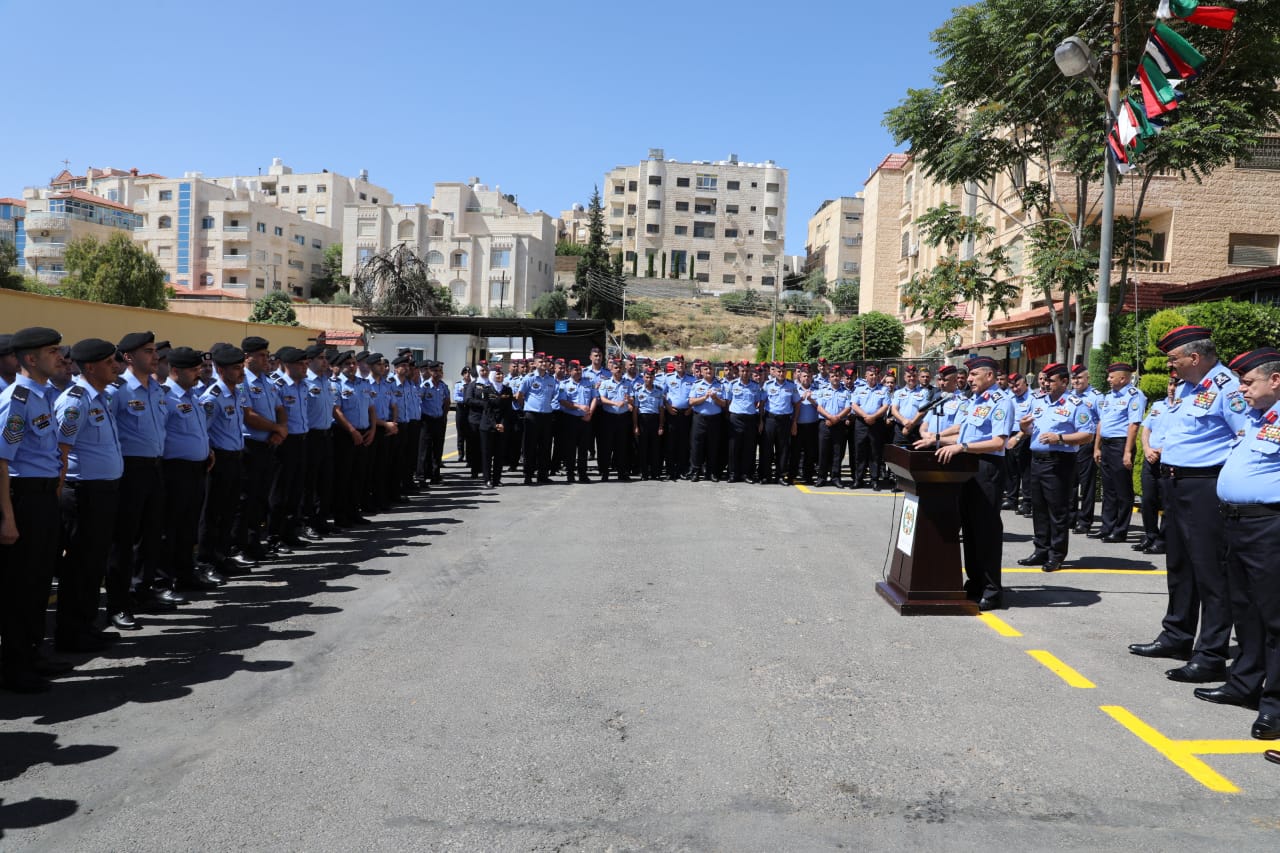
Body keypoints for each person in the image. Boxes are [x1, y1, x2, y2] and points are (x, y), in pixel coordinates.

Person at [1129, 326, 1249, 684]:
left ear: (1194, 357)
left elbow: (1244, 436)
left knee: (1210, 571)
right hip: (1175, 482)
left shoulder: (1228, 388)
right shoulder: (1187, 388)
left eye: (1174, 359)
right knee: (1179, 565)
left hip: (1205, 486)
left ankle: (1210, 654)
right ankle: (1176, 635)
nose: (1171, 366)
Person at [1192, 347, 1280, 741]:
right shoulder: (1258, 418)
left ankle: (1274, 706)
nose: (1240, 389)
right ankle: (1244, 683)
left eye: (1247, 382)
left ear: (1275, 380)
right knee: (1244, 610)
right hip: (1237, 524)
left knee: (1275, 619)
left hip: (1268, 526)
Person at [0, 326, 67, 693]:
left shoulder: (43, 396)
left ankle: (33, 653)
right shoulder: (18, 400)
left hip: (43, 497)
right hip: (23, 498)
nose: (60, 356)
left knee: (40, 580)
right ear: (30, 358)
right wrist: (8, 518)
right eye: (51, 351)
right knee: (20, 586)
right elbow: (1, 462)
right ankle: (15, 666)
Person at [925, 356, 1015, 610]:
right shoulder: (974, 400)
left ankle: (992, 590)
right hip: (967, 468)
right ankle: (975, 583)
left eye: (974, 374)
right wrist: (936, 439)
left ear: (990, 375)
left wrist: (962, 447)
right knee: (971, 529)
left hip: (987, 467)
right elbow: (963, 432)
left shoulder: (1001, 402)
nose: (970, 379)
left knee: (986, 530)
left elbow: (998, 442)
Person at [54, 338, 123, 654]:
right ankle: (71, 633)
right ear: (91, 367)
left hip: (103, 492)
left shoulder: (101, 397)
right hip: (83, 494)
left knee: (94, 563)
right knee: (80, 565)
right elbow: (60, 452)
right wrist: (57, 498)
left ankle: (86, 626)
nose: (116, 366)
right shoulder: (75, 402)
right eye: (110, 362)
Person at [109, 331, 185, 613]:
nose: (156, 357)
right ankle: (119, 603)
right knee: (124, 538)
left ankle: (143, 590)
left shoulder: (157, 389)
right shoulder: (117, 390)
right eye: (148, 352)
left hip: (155, 466)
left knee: (152, 535)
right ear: (129, 357)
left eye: (155, 352)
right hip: (130, 470)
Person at [1016, 363, 1095, 573]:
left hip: (1059, 461)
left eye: (1051, 380)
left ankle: (1056, 554)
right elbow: (1032, 429)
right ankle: (1041, 549)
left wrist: (1059, 438)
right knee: (1039, 508)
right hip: (1037, 459)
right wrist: (1023, 427)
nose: (1045, 384)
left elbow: (1087, 435)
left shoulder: (1076, 404)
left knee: (1057, 510)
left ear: (1064, 382)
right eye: (1044, 380)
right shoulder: (1039, 401)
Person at [161, 347, 221, 591]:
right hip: (175, 470)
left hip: (197, 468)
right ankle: (165, 579)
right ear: (176, 371)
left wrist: (206, 449)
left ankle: (185, 572)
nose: (200, 373)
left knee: (189, 525)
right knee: (171, 527)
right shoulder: (166, 397)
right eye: (194, 369)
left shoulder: (192, 395)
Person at [198, 344, 254, 576]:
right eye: (236, 368)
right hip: (219, 460)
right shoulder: (212, 398)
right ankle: (206, 561)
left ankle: (222, 555)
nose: (241, 372)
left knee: (230, 510)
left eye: (241, 367)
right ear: (221, 370)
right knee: (213, 513)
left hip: (235, 457)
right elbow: (202, 431)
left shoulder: (236, 393)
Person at [233, 336, 286, 561]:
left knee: (261, 497)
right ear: (247, 357)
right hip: (250, 446)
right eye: (261, 356)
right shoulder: (241, 381)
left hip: (268, 444)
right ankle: (240, 546)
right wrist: (276, 428)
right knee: (247, 499)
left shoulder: (268, 381)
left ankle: (255, 543)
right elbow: (249, 415)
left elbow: (280, 408)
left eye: (267, 355)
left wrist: (280, 430)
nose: (266, 359)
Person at [1093, 362, 1147, 543]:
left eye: (1111, 377)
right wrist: (1097, 447)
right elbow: (1102, 422)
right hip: (1107, 444)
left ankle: (1120, 530)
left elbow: (1134, 425)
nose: (1108, 379)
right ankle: (1107, 526)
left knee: (1122, 489)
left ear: (1123, 378)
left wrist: (1127, 452)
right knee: (1108, 489)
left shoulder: (1135, 395)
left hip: (1121, 444)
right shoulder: (1110, 396)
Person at [267, 347, 310, 551]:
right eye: (300, 364)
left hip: (301, 439)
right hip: (284, 442)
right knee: (280, 492)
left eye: (305, 363)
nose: (305, 367)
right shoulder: (278, 385)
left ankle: (290, 532)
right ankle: (274, 536)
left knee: (296, 490)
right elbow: (274, 412)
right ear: (287, 365)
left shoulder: (303, 385)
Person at [1135, 376, 1178, 555]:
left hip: (1169, 459)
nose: (1172, 388)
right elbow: (1146, 429)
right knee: (1148, 500)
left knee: (1167, 502)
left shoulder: (1183, 408)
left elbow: (1182, 435)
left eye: (1176, 385)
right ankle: (1150, 535)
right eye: (1170, 384)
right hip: (1150, 458)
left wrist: (1161, 450)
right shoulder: (1158, 405)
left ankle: (1163, 540)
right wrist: (1147, 449)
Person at [1068, 365, 1102, 534]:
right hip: (1070, 442)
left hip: (1087, 443)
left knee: (1087, 484)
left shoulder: (1096, 397)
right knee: (1070, 482)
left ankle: (1085, 520)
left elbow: (1102, 421)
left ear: (1088, 378)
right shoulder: (1069, 396)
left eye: (1079, 378)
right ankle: (1070, 517)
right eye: (1074, 378)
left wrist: (1097, 447)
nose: (1076, 381)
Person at [517, 354, 559, 485]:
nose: (543, 364)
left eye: (545, 361)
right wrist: (525, 408)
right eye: (540, 361)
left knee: (545, 447)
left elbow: (554, 396)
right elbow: (520, 395)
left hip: (546, 416)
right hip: (532, 416)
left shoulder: (551, 379)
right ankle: (528, 475)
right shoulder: (529, 378)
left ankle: (543, 475)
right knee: (530, 447)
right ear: (535, 364)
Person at [556, 360, 597, 483]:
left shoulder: (589, 383)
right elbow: (562, 401)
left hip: (585, 419)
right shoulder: (564, 384)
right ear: (569, 371)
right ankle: (570, 474)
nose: (579, 372)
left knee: (583, 449)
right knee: (570, 448)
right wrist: (579, 406)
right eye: (576, 370)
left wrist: (590, 413)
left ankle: (583, 474)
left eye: (580, 370)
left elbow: (595, 398)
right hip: (570, 419)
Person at [759, 362, 799, 486]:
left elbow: (797, 404)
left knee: (783, 449)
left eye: (783, 371)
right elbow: (762, 403)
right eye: (779, 371)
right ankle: (765, 476)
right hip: (770, 420)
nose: (781, 373)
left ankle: (780, 476)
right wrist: (761, 421)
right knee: (767, 449)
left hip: (785, 421)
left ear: (786, 372)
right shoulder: (767, 385)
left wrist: (794, 422)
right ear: (775, 372)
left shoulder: (792, 386)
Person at [851, 366, 890, 490]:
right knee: (860, 452)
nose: (874, 377)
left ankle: (874, 480)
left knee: (875, 452)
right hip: (861, 423)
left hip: (876, 423)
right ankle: (859, 479)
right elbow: (854, 405)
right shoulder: (859, 389)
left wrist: (873, 417)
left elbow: (885, 406)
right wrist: (865, 416)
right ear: (866, 376)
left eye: (876, 375)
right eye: (871, 375)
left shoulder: (884, 389)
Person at [596, 359, 633, 482]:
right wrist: (615, 403)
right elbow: (602, 399)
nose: (618, 370)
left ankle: (622, 472)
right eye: (616, 368)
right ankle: (605, 472)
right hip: (609, 417)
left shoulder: (628, 383)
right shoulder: (605, 383)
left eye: (620, 368)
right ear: (611, 370)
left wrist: (629, 400)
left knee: (622, 446)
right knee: (607, 446)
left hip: (623, 417)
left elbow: (632, 398)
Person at [815, 367, 852, 488]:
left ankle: (836, 477)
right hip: (825, 424)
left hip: (839, 425)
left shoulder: (846, 392)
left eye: (837, 376)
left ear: (840, 377)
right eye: (832, 376)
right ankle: (821, 477)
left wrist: (836, 418)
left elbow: (848, 408)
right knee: (823, 451)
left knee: (838, 452)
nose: (835, 378)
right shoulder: (822, 390)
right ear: (829, 378)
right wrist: (830, 417)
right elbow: (819, 407)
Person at [477, 365, 514, 487]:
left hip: (502, 426)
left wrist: (502, 424)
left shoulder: (507, 390)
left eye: (502, 374)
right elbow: (487, 409)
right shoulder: (487, 389)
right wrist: (495, 424)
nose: (500, 376)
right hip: (488, 426)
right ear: (493, 375)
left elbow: (508, 410)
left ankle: (497, 479)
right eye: (498, 374)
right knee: (487, 454)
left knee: (499, 454)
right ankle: (487, 479)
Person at [689, 361, 726, 481]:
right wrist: (704, 397)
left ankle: (712, 472)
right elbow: (691, 402)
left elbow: (724, 404)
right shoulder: (696, 384)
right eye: (705, 369)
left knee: (713, 446)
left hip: (715, 419)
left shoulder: (720, 385)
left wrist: (715, 398)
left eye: (710, 369)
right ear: (701, 371)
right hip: (700, 419)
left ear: (714, 370)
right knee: (697, 446)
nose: (708, 371)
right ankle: (695, 471)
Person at [1003, 372, 1034, 514]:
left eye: (1017, 385)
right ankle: (1012, 499)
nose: (1015, 389)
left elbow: (1032, 421)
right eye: (1012, 387)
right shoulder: (1008, 397)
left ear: (1024, 382)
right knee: (1011, 469)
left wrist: (1018, 437)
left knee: (1025, 470)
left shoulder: (1033, 398)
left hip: (1024, 436)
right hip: (1009, 435)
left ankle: (1027, 502)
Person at [725, 361, 761, 483]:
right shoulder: (732, 384)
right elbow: (728, 402)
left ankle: (746, 474)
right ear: (738, 372)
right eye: (742, 371)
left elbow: (756, 402)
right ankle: (733, 474)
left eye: (747, 371)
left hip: (750, 419)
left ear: (750, 372)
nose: (745, 373)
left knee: (748, 447)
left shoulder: (755, 386)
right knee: (734, 447)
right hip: (736, 418)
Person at [663, 356, 696, 480]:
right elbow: (662, 395)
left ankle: (682, 470)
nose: (680, 365)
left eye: (682, 363)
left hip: (686, 414)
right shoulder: (668, 378)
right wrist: (667, 407)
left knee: (684, 444)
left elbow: (696, 396)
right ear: (674, 365)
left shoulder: (692, 379)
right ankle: (670, 471)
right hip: (672, 413)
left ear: (685, 364)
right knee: (670, 443)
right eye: (678, 363)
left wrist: (691, 408)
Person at [633, 367, 666, 480]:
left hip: (655, 419)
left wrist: (661, 426)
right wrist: (635, 426)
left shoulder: (659, 390)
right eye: (647, 377)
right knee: (643, 448)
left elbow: (661, 409)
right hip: (643, 420)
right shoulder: (638, 390)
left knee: (655, 448)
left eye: (651, 377)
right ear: (643, 377)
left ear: (654, 378)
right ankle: (644, 472)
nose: (649, 379)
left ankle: (655, 472)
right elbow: (635, 410)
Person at [791, 365, 821, 484]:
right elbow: (791, 405)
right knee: (795, 452)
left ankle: (808, 476)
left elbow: (820, 406)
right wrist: (801, 399)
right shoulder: (794, 388)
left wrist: (811, 399)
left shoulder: (817, 388)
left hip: (812, 425)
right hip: (798, 425)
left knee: (810, 452)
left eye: (808, 376)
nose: (806, 378)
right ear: (800, 377)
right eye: (804, 376)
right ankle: (792, 475)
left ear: (811, 377)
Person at [452, 366, 471, 464]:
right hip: (461, 410)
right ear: (463, 374)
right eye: (465, 373)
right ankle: (460, 454)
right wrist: (465, 400)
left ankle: (469, 455)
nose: (467, 375)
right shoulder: (458, 384)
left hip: (470, 410)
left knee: (469, 434)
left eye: (469, 373)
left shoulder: (473, 385)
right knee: (460, 433)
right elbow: (455, 397)